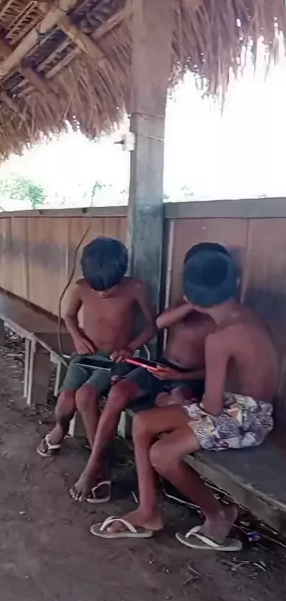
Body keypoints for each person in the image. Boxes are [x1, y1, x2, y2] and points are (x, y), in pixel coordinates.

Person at [90, 249, 277, 552]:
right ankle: (148, 513)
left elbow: (212, 408)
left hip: (247, 419)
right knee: (143, 422)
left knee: (162, 454)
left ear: (190, 298)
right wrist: (179, 403)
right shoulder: (245, 316)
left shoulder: (220, 338)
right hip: (240, 406)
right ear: (235, 282)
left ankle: (217, 515)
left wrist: (175, 406)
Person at [70, 242, 233, 502]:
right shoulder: (186, 303)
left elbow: (217, 372)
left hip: (187, 379)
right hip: (160, 367)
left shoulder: (224, 318)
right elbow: (160, 322)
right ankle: (95, 464)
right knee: (118, 392)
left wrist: (178, 377)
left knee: (177, 401)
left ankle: (164, 482)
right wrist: (192, 303)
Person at [37, 237, 156, 487]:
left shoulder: (135, 288)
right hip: (85, 355)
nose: (101, 293)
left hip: (115, 358)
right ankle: (60, 428)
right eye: (96, 287)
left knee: (85, 396)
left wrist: (130, 348)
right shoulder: (81, 288)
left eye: (108, 288)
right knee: (65, 401)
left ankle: (98, 458)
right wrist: (77, 337)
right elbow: (69, 316)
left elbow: (151, 325)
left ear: (121, 273)